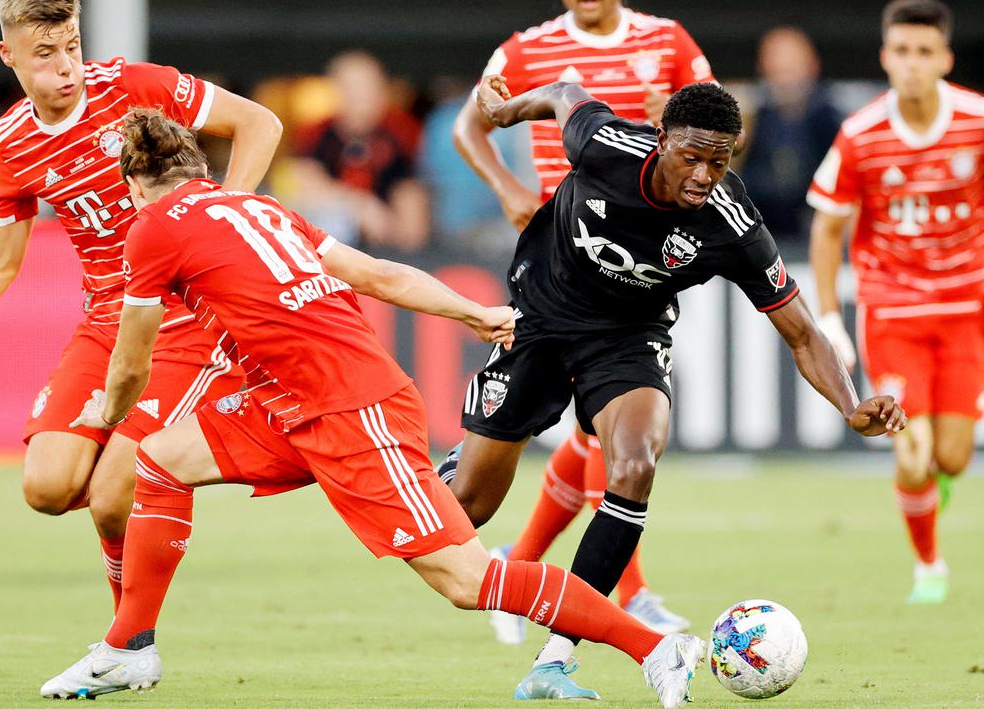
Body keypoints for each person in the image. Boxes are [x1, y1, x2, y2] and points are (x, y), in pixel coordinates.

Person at [39, 108, 704, 709]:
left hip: (351, 411)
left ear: (132, 186)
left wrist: (105, 413)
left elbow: (128, 362)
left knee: (467, 581)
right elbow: (379, 274)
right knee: (159, 460)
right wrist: (471, 310)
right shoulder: (262, 209)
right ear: (202, 170)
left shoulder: (151, 228)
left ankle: (653, 649)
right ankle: (128, 647)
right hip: (289, 405)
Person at [446, 75, 907, 701]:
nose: (703, 174)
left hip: (628, 337)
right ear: (660, 139)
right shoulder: (603, 145)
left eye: (720, 161)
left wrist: (852, 405)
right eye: (691, 156)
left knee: (634, 464)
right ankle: (450, 470)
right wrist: (504, 112)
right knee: (467, 511)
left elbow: (801, 333)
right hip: (540, 318)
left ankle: (555, 657)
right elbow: (563, 90)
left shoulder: (732, 227)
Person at [0, 0, 281, 611]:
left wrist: (214, 219)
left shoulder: (134, 86)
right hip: (108, 318)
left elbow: (261, 123)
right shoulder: (11, 143)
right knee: (48, 486)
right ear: (9, 56)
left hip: (184, 312)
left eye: (73, 48)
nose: (68, 68)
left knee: (112, 495)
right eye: (46, 54)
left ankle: (128, 635)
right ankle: (159, 475)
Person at [450, 0, 716, 671]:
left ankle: (540, 565)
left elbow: (713, 122)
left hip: (638, 259)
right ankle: (625, 592)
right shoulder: (524, 48)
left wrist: (672, 113)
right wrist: (509, 187)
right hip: (562, 258)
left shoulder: (667, 39)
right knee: (608, 429)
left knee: (605, 429)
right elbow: (468, 125)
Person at [807, 0, 984, 604]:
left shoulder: (983, 118)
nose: (912, 64)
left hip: (965, 307)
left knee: (953, 459)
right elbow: (828, 226)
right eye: (901, 52)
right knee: (911, 456)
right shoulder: (860, 135)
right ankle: (929, 564)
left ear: (945, 59)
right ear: (886, 58)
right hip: (892, 311)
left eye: (924, 53)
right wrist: (831, 318)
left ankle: (935, 491)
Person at [292, 51, 430, 252]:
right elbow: (303, 181)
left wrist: (401, 227)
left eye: (369, 88)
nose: (362, 97)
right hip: (332, 247)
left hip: (386, 244)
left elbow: (410, 191)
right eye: (352, 89)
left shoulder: (402, 131)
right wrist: (359, 206)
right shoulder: (316, 133)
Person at [738, 26, 843, 238]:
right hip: (757, 228)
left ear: (813, 65)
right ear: (762, 67)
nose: (785, 76)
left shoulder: (830, 118)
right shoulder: (750, 115)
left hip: (814, 225)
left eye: (792, 65)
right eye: (778, 66)